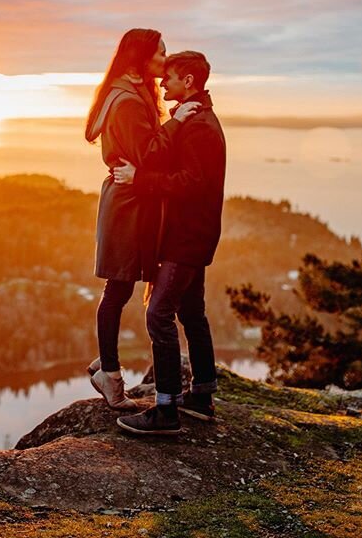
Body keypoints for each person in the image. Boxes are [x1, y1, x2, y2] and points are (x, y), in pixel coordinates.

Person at [112, 50, 226, 435]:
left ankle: (166, 412)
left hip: (186, 238)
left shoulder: (198, 126)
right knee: (192, 312)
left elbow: (192, 183)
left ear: (189, 82)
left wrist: (138, 180)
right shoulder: (198, 118)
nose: (163, 82)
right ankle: (202, 395)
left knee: (158, 314)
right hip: (196, 234)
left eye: (171, 77)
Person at [85, 30, 199, 410]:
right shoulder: (129, 101)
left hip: (134, 202)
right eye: (160, 53)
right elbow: (150, 154)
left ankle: (108, 364)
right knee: (118, 289)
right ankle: (111, 374)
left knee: (119, 289)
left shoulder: (133, 93)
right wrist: (179, 120)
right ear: (141, 57)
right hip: (127, 206)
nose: (166, 60)